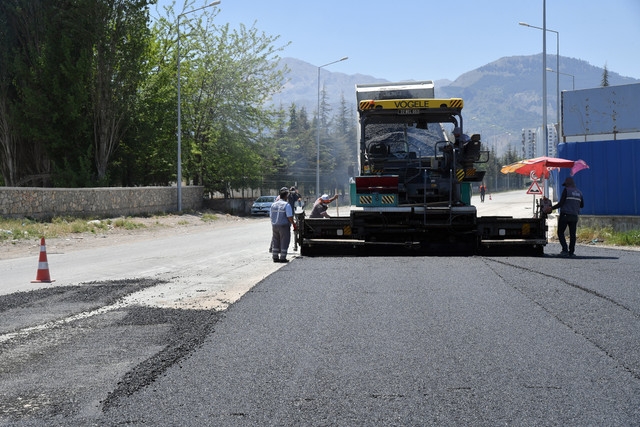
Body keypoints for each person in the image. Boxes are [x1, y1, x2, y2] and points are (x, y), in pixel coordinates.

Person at [549, 176, 584, 257]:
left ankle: (565, 250)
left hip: (565, 215)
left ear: (567, 184)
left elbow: (561, 203)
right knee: (572, 234)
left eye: (565, 185)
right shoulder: (579, 192)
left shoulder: (566, 190)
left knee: (560, 232)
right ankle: (571, 252)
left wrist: (551, 208)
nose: (565, 186)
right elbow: (582, 205)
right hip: (574, 216)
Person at [270, 187, 296, 263]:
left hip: (274, 225)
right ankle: (283, 257)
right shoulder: (286, 205)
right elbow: (289, 217)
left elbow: (271, 216)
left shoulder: (273, 204)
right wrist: (294, 223)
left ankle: (275, 257)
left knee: (275, 240)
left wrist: (274, 223)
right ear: (286, 196)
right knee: (284, 240)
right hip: (284, 225)